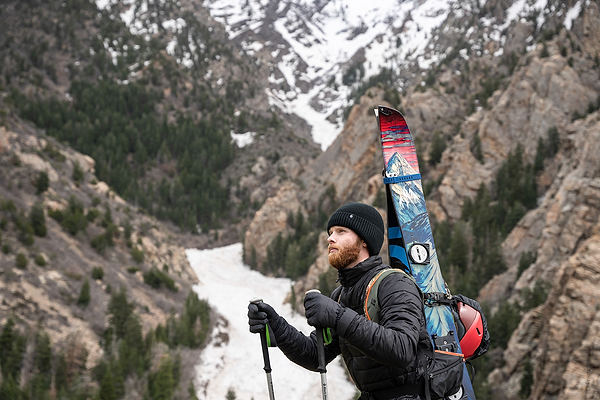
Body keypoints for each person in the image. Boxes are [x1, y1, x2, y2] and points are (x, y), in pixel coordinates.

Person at [248, 202, 432, 400]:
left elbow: (402, 349)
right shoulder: (342, 295)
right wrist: (276, 325)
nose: (330, 238)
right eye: (330, 232)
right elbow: (314, 355)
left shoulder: (394, 283)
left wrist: (337, 316)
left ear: (364, 240)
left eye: (341, 231)